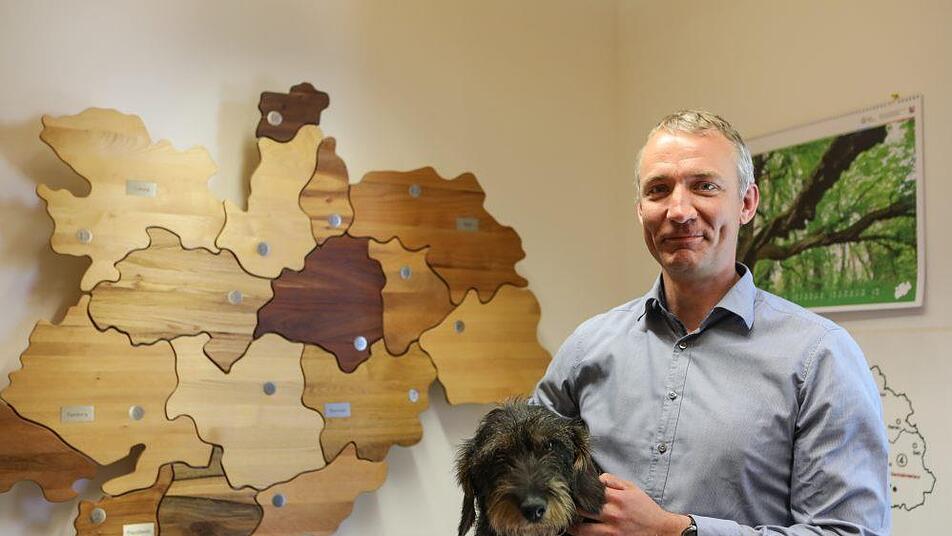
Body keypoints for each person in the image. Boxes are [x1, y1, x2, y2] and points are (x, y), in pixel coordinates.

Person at [532, 110, 891, 535]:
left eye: (705, 186)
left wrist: (673, 531)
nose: (679, 210)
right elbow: (520, 471)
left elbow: (848, 531)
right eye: (659, 190)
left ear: (746, 203)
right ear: (641, 210)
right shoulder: (587, 347)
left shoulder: (820, 357)